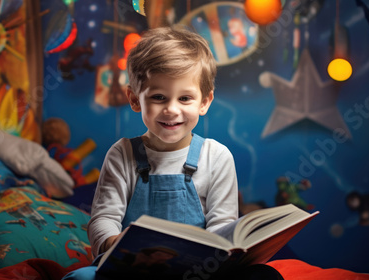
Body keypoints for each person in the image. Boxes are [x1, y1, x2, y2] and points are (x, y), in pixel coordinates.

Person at [63, 26, 283, 280]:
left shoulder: (217, 156)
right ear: (135, 100)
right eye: (158, 97)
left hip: (201, 273)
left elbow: (222, 227)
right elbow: (104, 217)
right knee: (79, 278)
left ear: (204, 102)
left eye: (185, 98)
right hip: (136, 271)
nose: (171, 110)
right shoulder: (122, 154)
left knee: (264, 275)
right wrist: (112, 241)